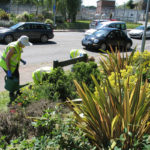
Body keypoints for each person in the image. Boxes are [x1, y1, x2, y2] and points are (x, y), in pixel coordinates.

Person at [0, 35, 32, 104]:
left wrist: (21, 60)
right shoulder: (13, 47)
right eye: (24, 45)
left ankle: (17, 90)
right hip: (6, 64)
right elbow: (7, 58)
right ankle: (11, 92)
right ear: (20, 42)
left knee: (17, 76)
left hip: (13, 64)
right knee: (12, 78)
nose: (24, 46)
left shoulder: (19, 45)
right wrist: (8, 70)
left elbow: (15, 55)